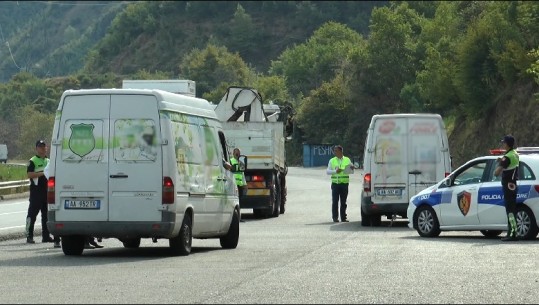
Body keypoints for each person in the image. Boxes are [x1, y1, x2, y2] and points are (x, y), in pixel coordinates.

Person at [26, 140, 60, 247]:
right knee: (32, 214)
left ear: (47, 148)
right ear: (36, 148)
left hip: (47, 192)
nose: (42, 148)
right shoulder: (33, 160)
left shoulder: (49, 160)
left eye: (44, 146)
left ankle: (46, 236)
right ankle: (29, 235)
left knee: (46, 216)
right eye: (40, 147)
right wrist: (42, 173)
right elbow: (29, 174)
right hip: (36, 192)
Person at [494, 135, 519, 241]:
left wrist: (500, 162)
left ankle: (512, 233)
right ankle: (514, 232)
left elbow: (496, 173)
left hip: (508, 185)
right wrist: (503, 160)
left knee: (510, 210)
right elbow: (509, 163)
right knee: (512, 209)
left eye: (504, 143)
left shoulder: (507, 157)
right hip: (513, 184)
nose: (503, 144)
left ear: (508, 144)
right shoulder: (515, 154)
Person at [326, 145, 354, 223]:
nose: (335, 152)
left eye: (336, 150)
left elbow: (351, 169)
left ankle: (343, 217)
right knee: (335, 201)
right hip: (335, 184)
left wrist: (352, 168)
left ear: (341, 151)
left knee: (343, 202)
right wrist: (335, 171)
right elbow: (327, 171)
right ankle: (335, 218)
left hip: (344, 184)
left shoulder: (347, 159)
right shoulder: (332, 160)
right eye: (334, 150)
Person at [229, 148, 247, 222]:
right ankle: (234, 218)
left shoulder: (241, 163)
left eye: (239, 153)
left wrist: (245, 184)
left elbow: (242, 174)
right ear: (233, 154)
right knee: (233, 202)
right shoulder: (230, 161)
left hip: (239, 185)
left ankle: (239, 218)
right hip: (233, 184)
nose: (238, 154)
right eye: (236, 153)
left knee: (239, 202)